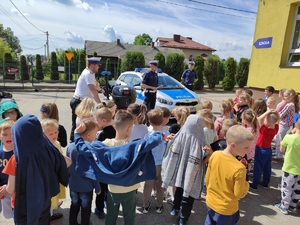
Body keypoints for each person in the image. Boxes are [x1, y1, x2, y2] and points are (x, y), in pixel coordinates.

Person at [74, 111, 164, 225]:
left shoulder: (105, 145)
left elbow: (83, 149)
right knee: (129, 217)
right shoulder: (134, 145)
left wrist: (77, 134)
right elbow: (153, 140)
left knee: (111, 217)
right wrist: (161, 135)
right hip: (130, 189)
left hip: (113, 190)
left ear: (114, 126)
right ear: (129, 128)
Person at [2, 115, 70, 225]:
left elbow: (10, 189)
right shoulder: (48, 151)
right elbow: (68, 162)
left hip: (24, 207)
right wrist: (49, 147)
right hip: (44, 201)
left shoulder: (16, 159)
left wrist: (5, 187)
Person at [162, 114, 208, 225]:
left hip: (185, 173)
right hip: (188, 174)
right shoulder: (199, 140)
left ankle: (181, 215)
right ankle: (179, 212)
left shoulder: (182, 136)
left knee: (183, 192)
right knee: (184, 193)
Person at [205, 125, 254, 225]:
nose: (248, 150)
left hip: (211, 201)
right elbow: (239, 194)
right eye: (246, 147)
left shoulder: (215, 155)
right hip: (226, 209)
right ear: (233, 145)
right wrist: (246, 182)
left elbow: (208, 178)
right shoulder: (239, 168)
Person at [67, 119, 101, 225]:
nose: (96, 136)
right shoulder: (89, 150)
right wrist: (98, 188)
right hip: (86, 187)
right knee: (86, 208)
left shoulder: (71, 147)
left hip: (73, 184)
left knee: (74, 205)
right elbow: (93, 171)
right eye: (95, 134)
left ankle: (72, 222)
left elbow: (67, 165)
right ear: (88, 134)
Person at [70, 57, 103, 142]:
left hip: (81, 101)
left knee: (80, 124)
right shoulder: (88, 74)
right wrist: (99, 103)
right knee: (79, 125)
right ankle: (74, 143)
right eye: (97, 65)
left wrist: (101, 90)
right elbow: (92, 89)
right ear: (92, 65)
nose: (99, 67)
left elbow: (95, 84)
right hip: (79, 102)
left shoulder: (90, 73)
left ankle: (75, 141)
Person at [41, 119, 67, 222]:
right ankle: (49, 216)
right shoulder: (42, 147)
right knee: (49, 199)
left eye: (55, 132)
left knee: (54, 196)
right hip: (47, 178)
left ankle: (51, 212)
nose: (54, 135)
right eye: (50, 133)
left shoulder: (57, 143)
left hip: (55, 176)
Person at [274, 119, 300, 214]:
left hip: (289, 168)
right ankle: (293, 206)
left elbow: (282, 149)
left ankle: (284, 206)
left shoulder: (289, 138)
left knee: (287, 188)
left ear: (295, 126)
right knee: (297, 189)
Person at [250, 109, 280, 190]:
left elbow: (259, 119)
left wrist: (268, 111)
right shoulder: (275, 129)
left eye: (266, 119)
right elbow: (278, 121)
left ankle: (255, 184)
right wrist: (276, 114)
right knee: (267, 167)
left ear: (269, 121)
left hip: (261, 149)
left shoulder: (265, 130)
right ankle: (265, 182)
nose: (264, 120)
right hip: (268, 150)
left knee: (258, 166)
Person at [142, 109, 165, 214]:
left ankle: (145, 206)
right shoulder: (167, 134)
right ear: (163, 120)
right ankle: (159, 205)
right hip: (163, 164)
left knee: (148, 186)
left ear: (150, 122)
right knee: (160, 185)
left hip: (151, 164)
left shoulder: (148, 135)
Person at [95, 107, 115, 219]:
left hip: (102, 166)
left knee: (101, 190)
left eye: (97, 120)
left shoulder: (101, 134)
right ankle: (109, 205)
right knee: (109, 188)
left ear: (103, 120)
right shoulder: (116, 130)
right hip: (112, 165)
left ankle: (99, 209)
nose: (96, 122)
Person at [274, 89, 299, 159]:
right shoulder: (290, 104)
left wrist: (275, 113)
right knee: (278, 138)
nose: (284, 97)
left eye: (285, 96)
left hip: (284, 125)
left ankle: (279, 154)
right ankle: (278, 152)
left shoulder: (289, 105)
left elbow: (281, 114)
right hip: (285, 124)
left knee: (279, 139)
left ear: (291, 96)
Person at [0, 120, 14, 219]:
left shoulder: (19, 151)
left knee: (16, 214)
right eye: (5, 134)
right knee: (7, 214)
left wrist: (8, 187)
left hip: (15, 188)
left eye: (12, 134)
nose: (8, 137)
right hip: (2, 189)